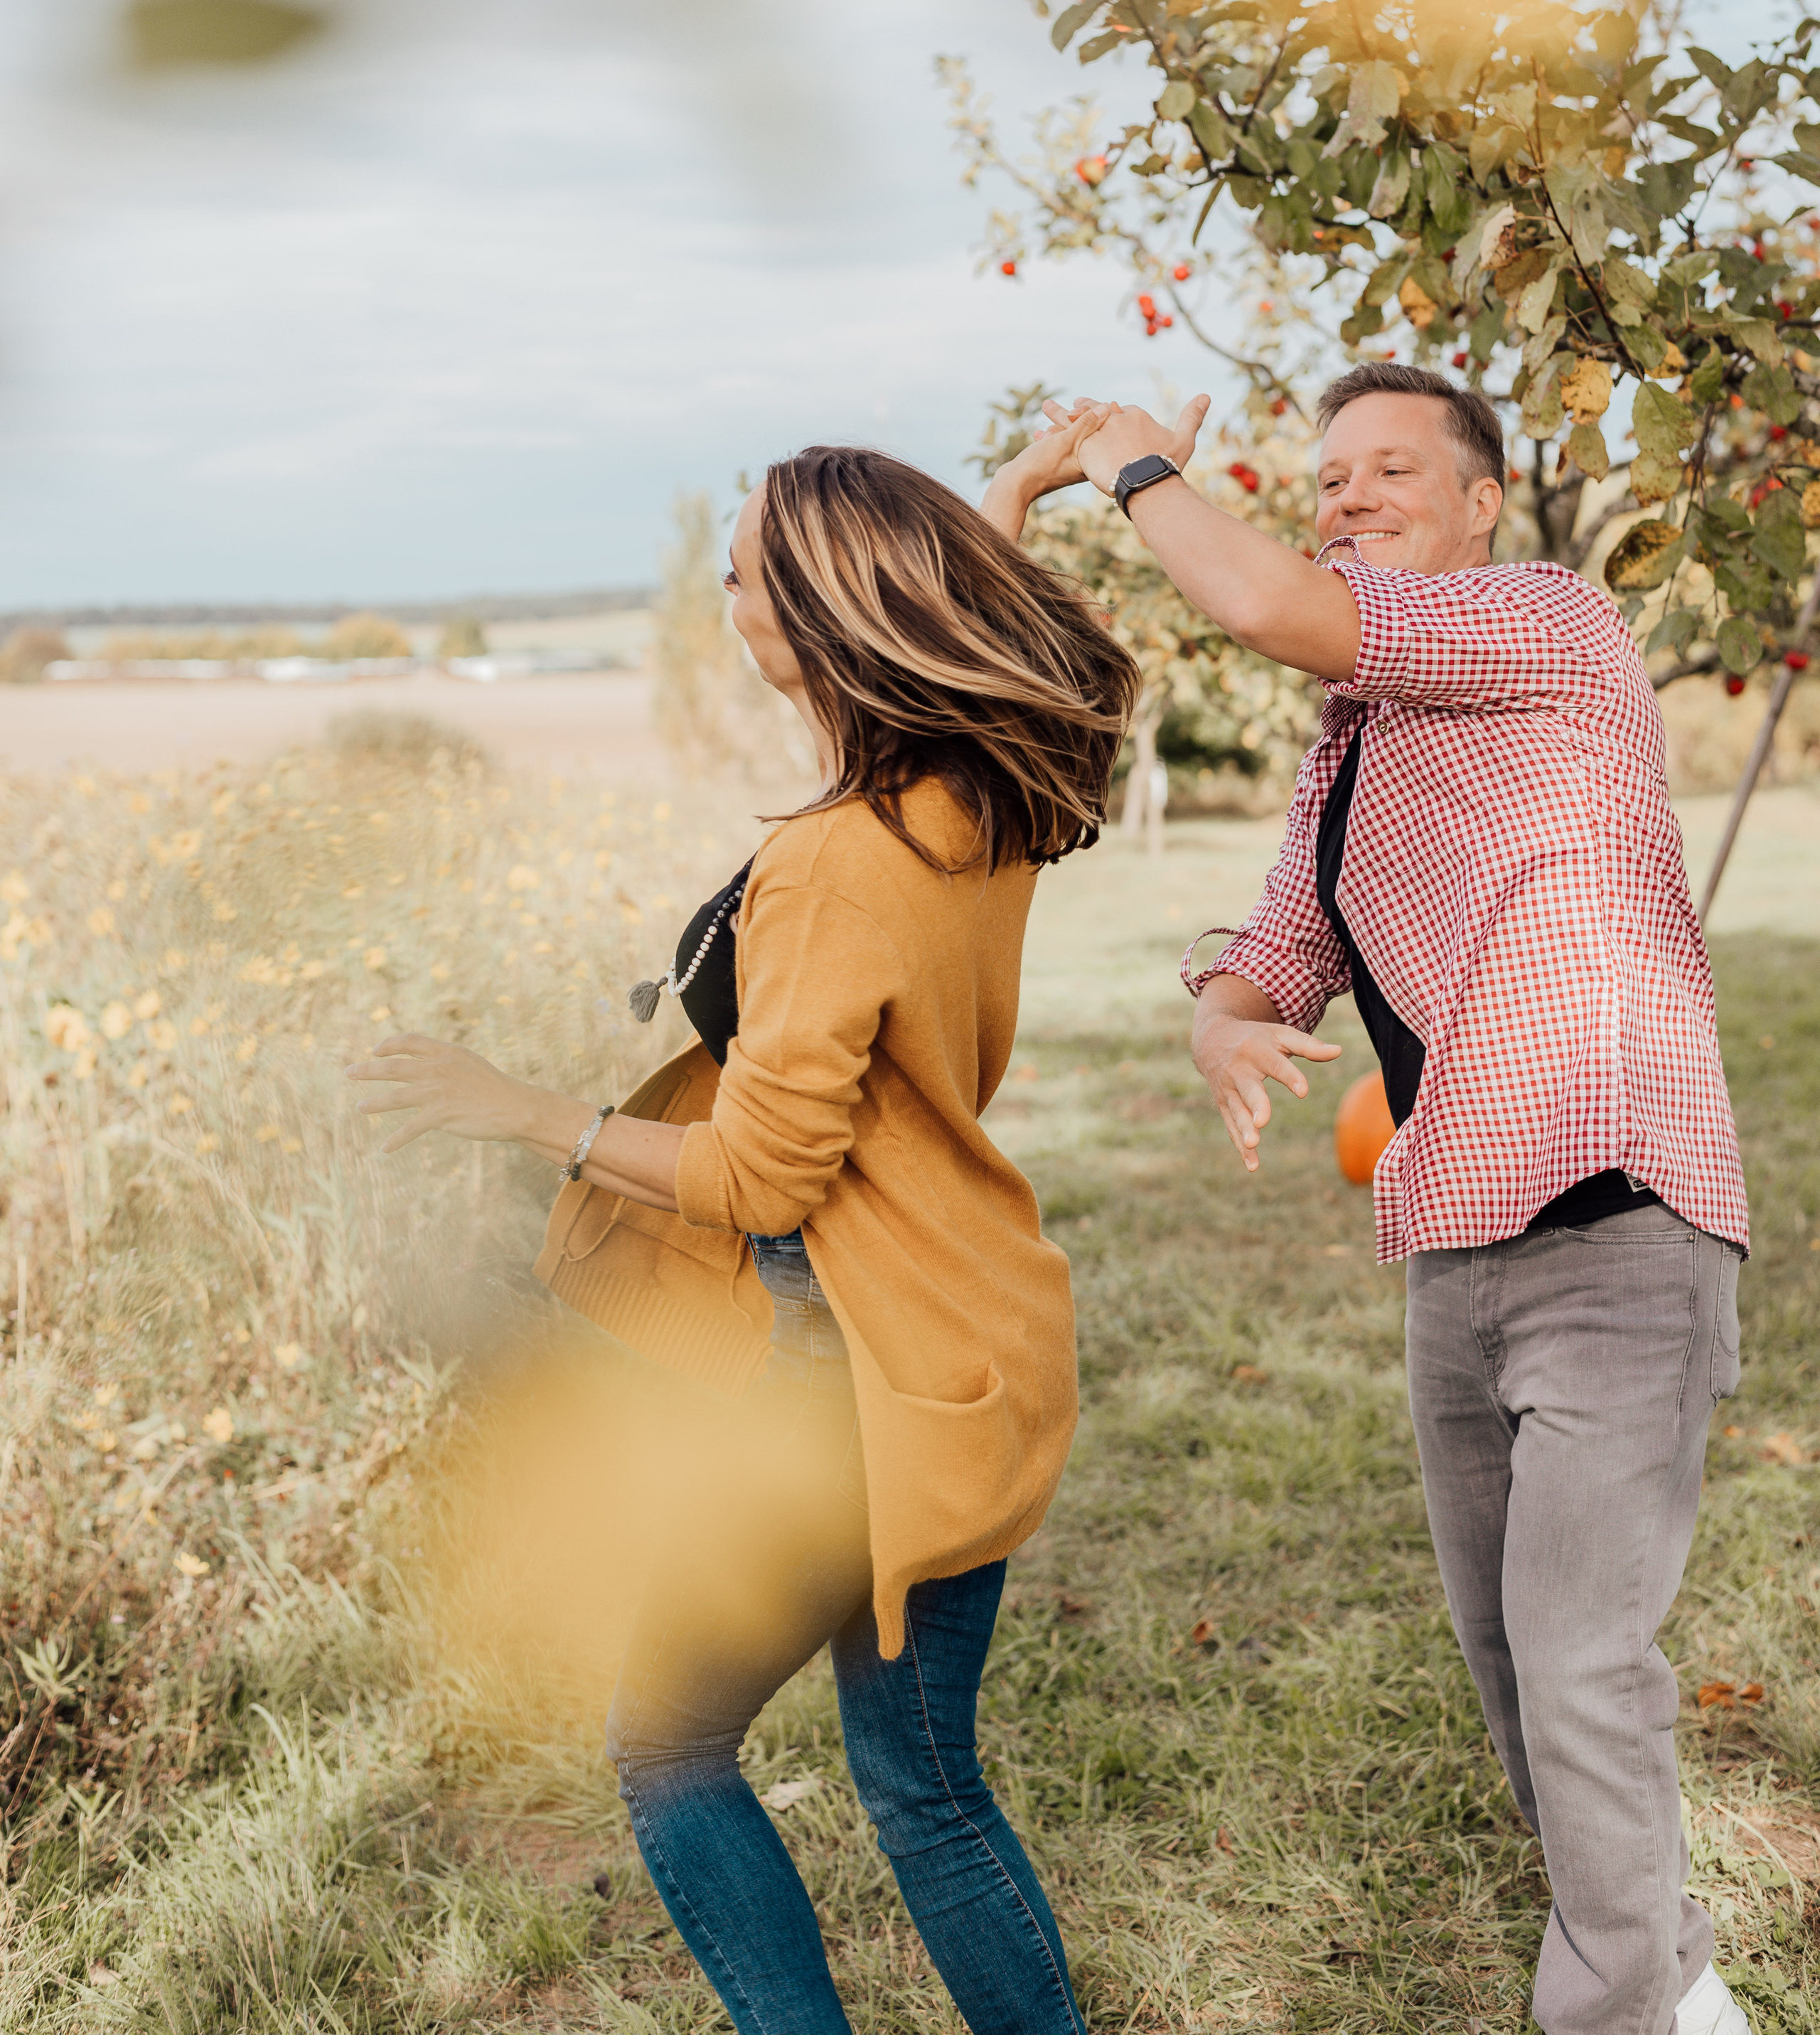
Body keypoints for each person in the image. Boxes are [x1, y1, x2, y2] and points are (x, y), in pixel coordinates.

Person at [348, 434, 1136, 2035]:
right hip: (964, 1342)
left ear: (818, 605)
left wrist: (525, 1111)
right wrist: (1013, 506)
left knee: (670, 1749)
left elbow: (761, 1180)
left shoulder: (839, 860)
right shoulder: (973, 788)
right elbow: (1028, 654)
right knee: (923, 1787)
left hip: (847, 1375)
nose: (720, 592)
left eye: (742, 568)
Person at [1000, 363, 1750, 2035]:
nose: (1344, 496)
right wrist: (1217, 1015)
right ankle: (1666, 1980)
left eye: (1388, 469)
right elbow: (1279, 954)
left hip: (1614, 1219)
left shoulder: (1547, 623)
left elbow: (1267, 599)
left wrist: (1127, 470)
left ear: (1481, 502)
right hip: (1453, 1250)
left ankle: (1625, 2009)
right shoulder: (1348, 744)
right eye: (1327, 476)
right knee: (1512, 1670)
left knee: (1575, 1665)